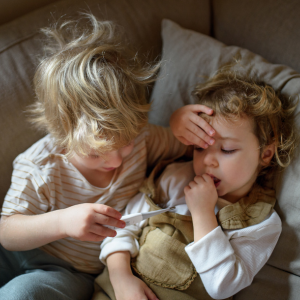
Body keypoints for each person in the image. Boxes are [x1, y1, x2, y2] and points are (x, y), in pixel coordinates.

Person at [0, 14, 216, 300]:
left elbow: (192, 149)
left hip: (68, 272)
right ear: (62, 136)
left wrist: (178, 123)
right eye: (94, 153)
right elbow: (7, 232)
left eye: (125, 143)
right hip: (16, 252)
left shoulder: (144, 139)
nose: (115, 161)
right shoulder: (40, 165)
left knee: (22, 295)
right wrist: (62, 222)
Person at [97, 67, 298, 300]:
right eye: (200, 147)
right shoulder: (175, 178)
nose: (208, 160)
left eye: (227, 149)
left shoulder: (260, 222)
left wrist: (203, 213)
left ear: (265, 154)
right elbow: (120, 226)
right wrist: (121, 277)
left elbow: (222, 286)